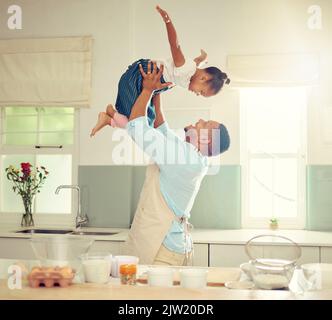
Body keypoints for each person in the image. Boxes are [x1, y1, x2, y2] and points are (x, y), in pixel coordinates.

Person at [112, 61, 230, 265]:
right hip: (171, 244)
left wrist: (147, 89)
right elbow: (161, 129)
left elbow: (136, 127)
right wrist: (157, 94)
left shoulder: (184, 159)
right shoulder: (192, 155)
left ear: (207, 140)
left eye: (206, 125)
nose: (201, 120)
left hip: (162, 248)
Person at [90, 5, 230, 137]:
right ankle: (110, 114)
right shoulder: (185, 68)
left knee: (147, 123)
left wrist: (202, 58)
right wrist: (167, 20)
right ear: (203, 79)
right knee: (135, 122)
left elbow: (196, 64)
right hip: (139, 77)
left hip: (151, 85)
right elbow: (175, 45)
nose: (197, 94)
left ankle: (108, 119)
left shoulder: (191, 72)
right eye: (201, 92)